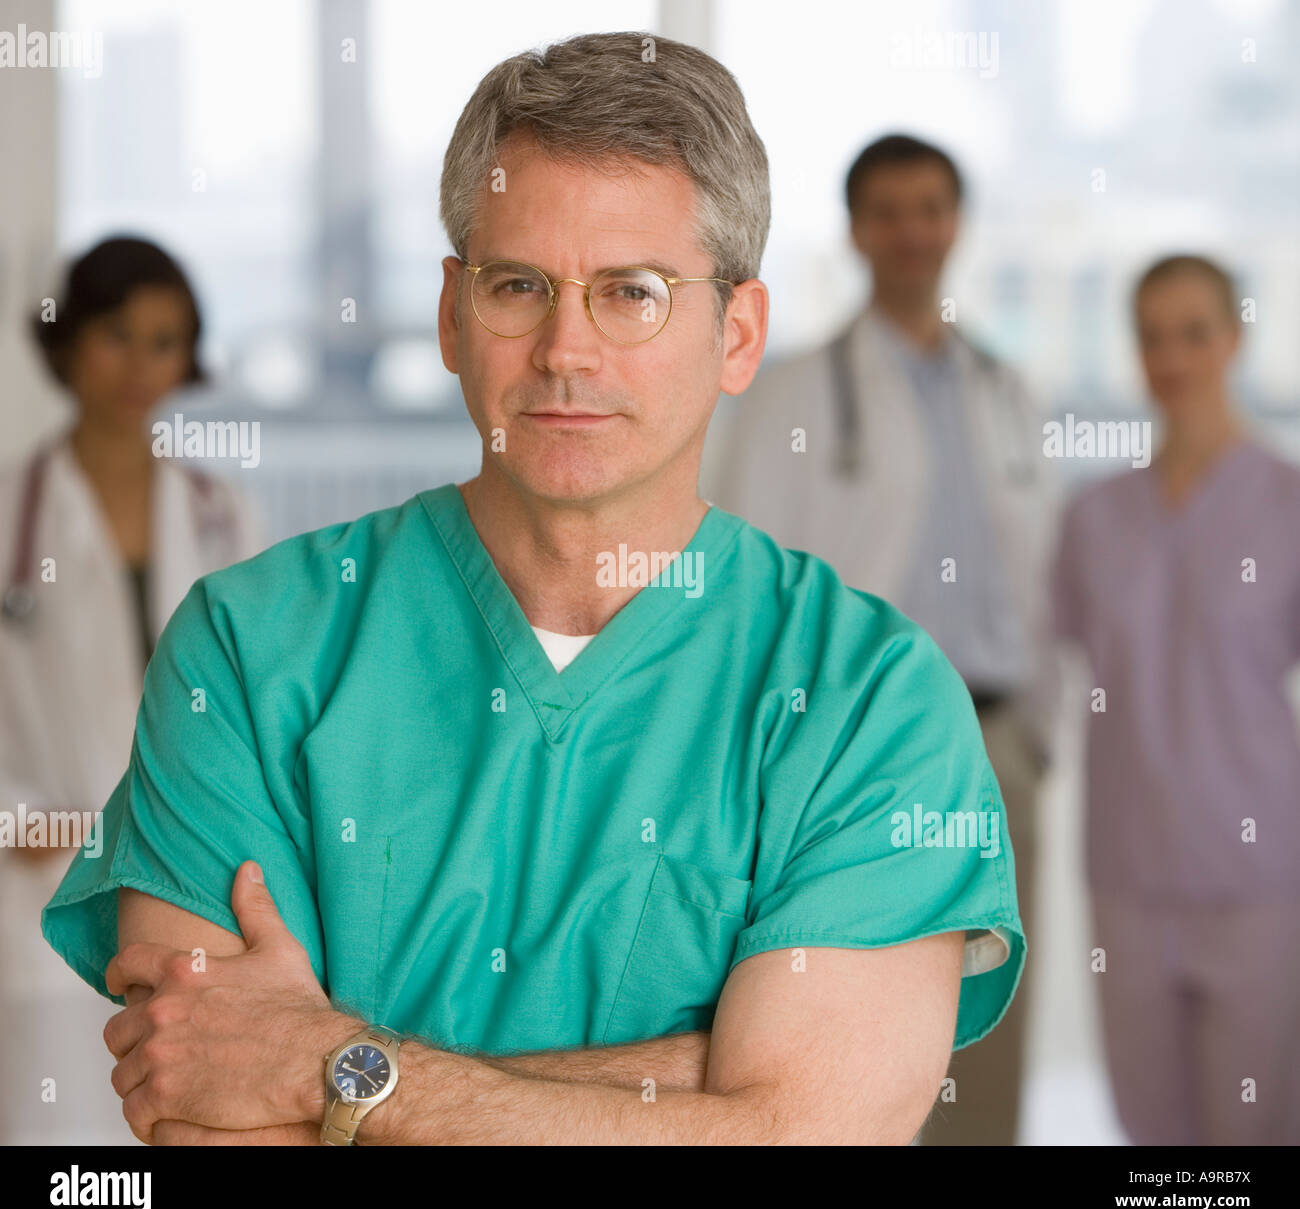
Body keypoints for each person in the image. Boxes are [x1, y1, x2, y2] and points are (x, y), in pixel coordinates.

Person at [42, 33, 1024, 1147]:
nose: (566, 348)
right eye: (519, 285)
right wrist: (709, 1081)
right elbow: (212, 1113)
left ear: (737, 332)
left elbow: (812, 1134)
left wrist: (335, 1065)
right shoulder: (250, 650)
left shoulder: (867, 696)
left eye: (632, 294)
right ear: (455, 313)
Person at [706, 134, 1057, 1145]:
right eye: (889, 211)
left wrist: (1038, 737)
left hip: (995, 747)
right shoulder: (796, 394)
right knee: (844, 1029)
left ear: (956, 224)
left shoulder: (1006, 390)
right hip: (851, 754)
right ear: (857, 230)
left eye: (931, 208)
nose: (912, 232)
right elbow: (745, 583)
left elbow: (1043, 588)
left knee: (990, 1024)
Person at [0, 236, 265, 1144]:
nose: (141, 364)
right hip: (35, 893)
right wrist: (21, 819)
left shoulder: (225, 517)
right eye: (117, 332)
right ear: (68, 340)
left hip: (193, 891)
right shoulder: (6, 513)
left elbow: (261, 713)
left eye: (166, 339)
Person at [1051, 255, 1300, 1146]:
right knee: (1152, 1141)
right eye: (1152, 336)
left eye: (1194, 332)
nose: (1172, 356)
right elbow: (1059, 665)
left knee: (1253, 1134)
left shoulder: (1287, 502)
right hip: (1127, 868)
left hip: (1259, 871)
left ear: (1235, 339)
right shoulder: (1094, 516)